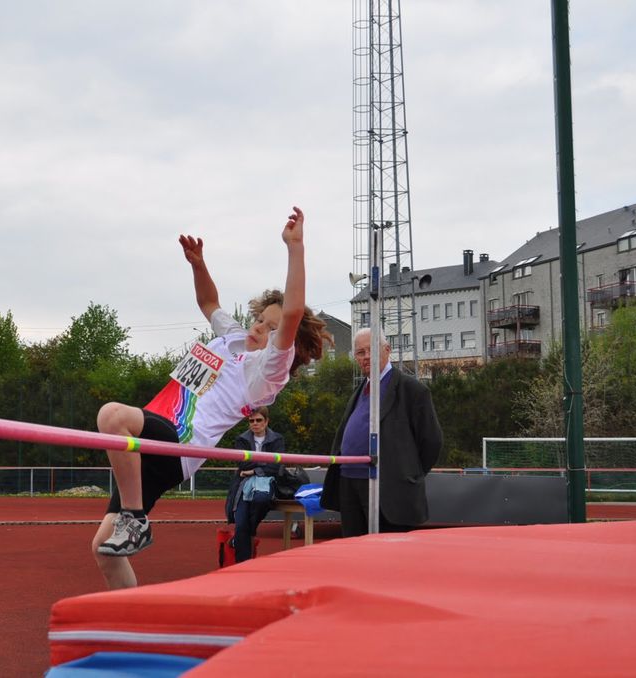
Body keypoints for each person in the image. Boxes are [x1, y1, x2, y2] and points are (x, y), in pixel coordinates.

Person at [93, 206, 331, 590]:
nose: (261, 328)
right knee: (104, 548)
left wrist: (295, 248)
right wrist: (198, 265)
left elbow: (292, 314)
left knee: (111, 416)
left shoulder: (265, 372)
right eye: (260, 320)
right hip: (147, 450)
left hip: (177, 444)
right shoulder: (233, 338)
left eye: (273, 328)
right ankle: (136, 618)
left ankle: (135, 519)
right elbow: (208, 303)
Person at [320, 328, 442, 537]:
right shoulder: (359, 390)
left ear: (387, 350)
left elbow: (431, 442)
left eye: (371, 350)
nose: (366, 357)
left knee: (387, 558)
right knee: (354, 553)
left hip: (387, 490)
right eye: (360, 352)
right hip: (349, 483)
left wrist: (405, 474)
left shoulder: (412, 390)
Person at [223, 406, 285, 563]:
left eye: (259, 420)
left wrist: (255, 470)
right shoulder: (241, 439)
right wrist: (263, 463)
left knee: (261, 499)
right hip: (244, 483)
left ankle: (245, 536)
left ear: (266, 421)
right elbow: (243, 465)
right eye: (251, 421)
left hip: (266, 481)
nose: (255, 423)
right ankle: (241, 565)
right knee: (241, 523)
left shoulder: (277, 439)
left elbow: (276, 467)